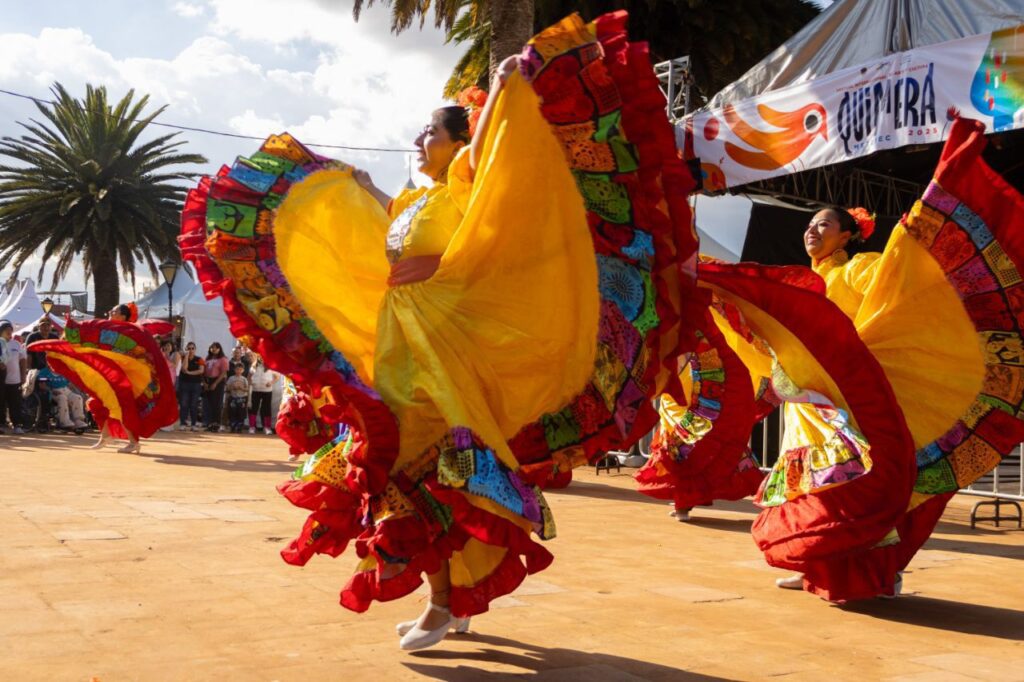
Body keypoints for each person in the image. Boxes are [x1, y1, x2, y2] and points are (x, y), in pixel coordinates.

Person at [180, 11, 699, 653]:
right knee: (417, 468)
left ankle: (442, 600)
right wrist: (359, 190)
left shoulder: (462, 184)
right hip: (402, 332)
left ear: (458, 141)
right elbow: (381, 235)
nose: (420, 137)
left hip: (446, 333)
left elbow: (489, 152)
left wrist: (510, 84)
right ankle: (447, 599)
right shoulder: (413, 199)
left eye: (432, 129)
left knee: (419, 463)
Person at [704, 118, 1024, 601]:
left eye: (824, 225)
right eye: (810, 225)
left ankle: (878, 567)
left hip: (850, 403)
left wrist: (920, 224)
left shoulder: (858, 269)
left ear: (849, 235)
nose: (812, 231)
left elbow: (897, 287)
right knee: (816, 486)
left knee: (861, 483)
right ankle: (815, 558)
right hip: (809, 406)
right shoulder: (802, 280)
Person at [0, 321, 26, 434]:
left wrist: (23, 375)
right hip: (1, 379)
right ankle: (1, 425)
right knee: (0, 403)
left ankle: (17, 425)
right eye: (7, 330)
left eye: (11, 330)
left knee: (15, 403)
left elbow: (23, 360)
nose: (9, 333)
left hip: (14, 379)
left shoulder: (16, 344)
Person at [202, 342, 229, 432]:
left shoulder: (223, 359)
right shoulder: (207, 358)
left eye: (216, 348)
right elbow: (204, 371)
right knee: (208, 403)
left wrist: (215, 383)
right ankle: (209, 423)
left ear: (219, 349)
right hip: (208, 380)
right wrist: (205, 382)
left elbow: (223, 373)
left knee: (216, 403)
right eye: (212, 348)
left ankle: (216, 424)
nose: (214, 349)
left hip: (218, 381)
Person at [177, 342, 204, 431]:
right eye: (189, 348)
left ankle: (193, 424)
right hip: (184, 383)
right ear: (186, 349)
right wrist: (186, 357)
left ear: (195, 349)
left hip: (196, 384)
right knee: (184, 404)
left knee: (193, 404)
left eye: (192, 348)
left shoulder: (199, 359)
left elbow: (201, 371)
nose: (191, 350)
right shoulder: (182, 358)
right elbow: (184, 368)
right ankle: (183, 423)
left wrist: (190, 373)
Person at [247, 354, 276, 435]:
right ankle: (252, 427)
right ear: (258, 357)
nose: (262, 358)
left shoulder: (271, 366)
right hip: (255, 390)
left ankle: (267, 427)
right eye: (260, 357)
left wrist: (271, 382)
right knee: (253, 408)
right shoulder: (253, 366)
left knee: (266, 408)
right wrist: (250, 383)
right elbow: (249, 377)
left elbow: (277, 376)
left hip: (267, 391)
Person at [224, 363, 250, 433]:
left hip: (242, 398)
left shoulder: (244, 379)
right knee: (232, 412)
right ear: (234, 370)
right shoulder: (231, 378)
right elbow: (227, 387)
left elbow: (247, 389)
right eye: (237, 369)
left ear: (243, 370)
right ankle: (233, 426)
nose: (238, 371)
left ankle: (239, 427)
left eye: (240, 369)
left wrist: (241, 388)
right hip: (233, 398)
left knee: (241, 413)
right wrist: (233, 387)